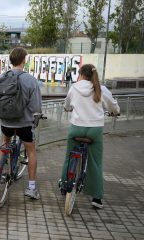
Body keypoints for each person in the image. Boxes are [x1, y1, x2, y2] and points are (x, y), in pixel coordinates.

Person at [61, 63, 120, 209]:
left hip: (76, 128)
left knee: (69, 157)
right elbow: (113, 106)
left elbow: (67, 105)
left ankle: (64, 185)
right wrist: (116, 112)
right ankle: (97, 198)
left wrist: (68, 108)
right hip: (95, 130)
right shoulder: (102, 89)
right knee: (95, 162)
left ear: (81, 74)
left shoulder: (74, 88)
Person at [0, 47, 42, 199]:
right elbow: (36, 107)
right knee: (31, 152)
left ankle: (4, 170)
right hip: (24, 124)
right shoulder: (30, 80)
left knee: (5, 144)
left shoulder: (1, 78)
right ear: (24, 60)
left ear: (10, 60)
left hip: (6, 122)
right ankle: (31, 188)